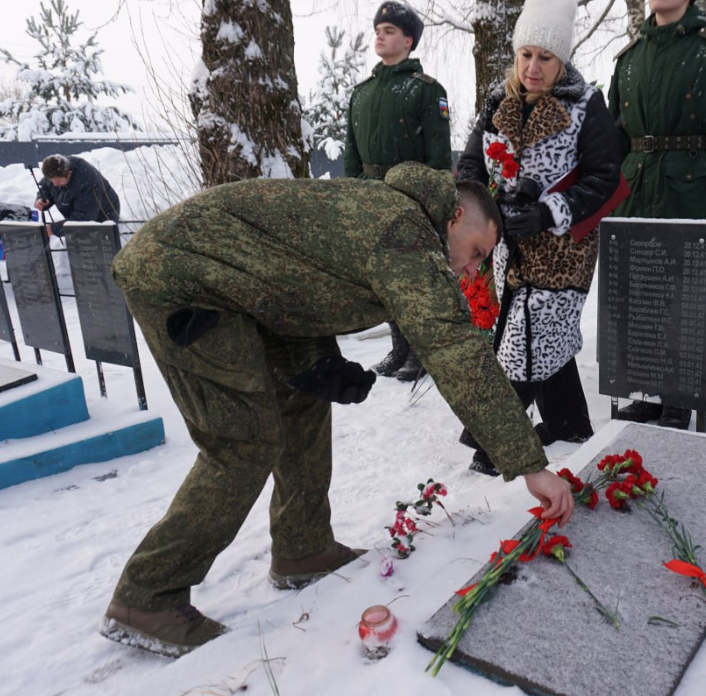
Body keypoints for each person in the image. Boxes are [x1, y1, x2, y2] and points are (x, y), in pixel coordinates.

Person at [99, 162, 574, 658]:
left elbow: (297, 277)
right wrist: (529, 464)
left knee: (304, 400)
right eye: (477, 252)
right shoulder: (404, 233)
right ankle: (147, 594)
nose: (474, 269)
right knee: (243, 442)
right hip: (184, 281)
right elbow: (453, 347)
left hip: (232, 286)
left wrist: (315, 359)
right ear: (454, 217)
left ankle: (302, 548)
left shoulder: (391, 217)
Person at [455, 0, 624, 475]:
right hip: (508, 244)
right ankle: (569, 423)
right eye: (525, 54)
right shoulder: (497, 101)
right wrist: (484, 209)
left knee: (526, 340)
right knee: (537, 332)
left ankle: (495, 447)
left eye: (545, 58)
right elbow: (470, 165)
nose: (532, 67)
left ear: (562, 60)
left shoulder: (586, 104)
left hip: (562, 249)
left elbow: (604, 176)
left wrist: (550, 211)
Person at [608, 0, 706, 430]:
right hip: (636, 187)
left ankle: (678, 397)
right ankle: (649, 390)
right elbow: (616, 136)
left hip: (689, 187)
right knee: (641, 295)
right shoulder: (629, 58)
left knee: (682, 297)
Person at [344, 1, 453, 383]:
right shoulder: (361, 94)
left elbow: (439, 160)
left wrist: (432, 204)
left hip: (410, 199)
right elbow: (350, 158)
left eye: (389, 30)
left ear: (408, 41)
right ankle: (400, 348)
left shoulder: (426, 90)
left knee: (412, 279)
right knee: (382, 278)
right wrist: (353, 197)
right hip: (369, 197)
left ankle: (421, 352)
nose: (380, 35)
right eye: (378, 29)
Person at [33, 154, 121, 237]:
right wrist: (42, 198)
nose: (55, 185)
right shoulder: (55, 169)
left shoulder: (87, 183)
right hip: (77, 210)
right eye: (52, 181)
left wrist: (53, 229)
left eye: (58, 181)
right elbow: (46, 186)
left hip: (102, 216)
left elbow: (83, 220)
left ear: (69, 174)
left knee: (90, 244)